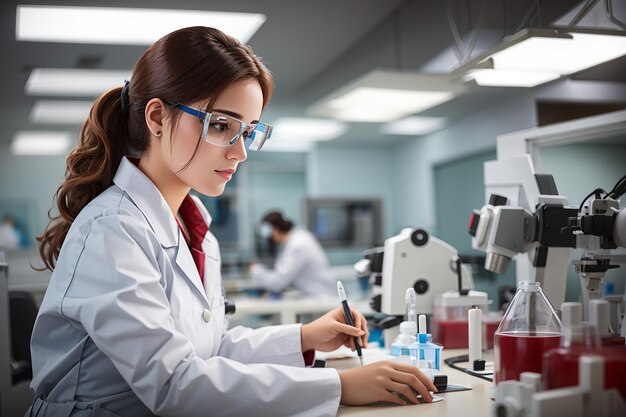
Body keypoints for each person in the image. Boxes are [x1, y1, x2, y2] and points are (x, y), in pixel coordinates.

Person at [28, 26, 436, 417]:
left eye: (250, 131)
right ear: (156, 118)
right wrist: (342, 387)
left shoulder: (195, 230)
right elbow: (173, 383)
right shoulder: (112, 229)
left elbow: (210, 350)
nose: (240, 152)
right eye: (222, 126)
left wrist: (305, 337)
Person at [251, 211, 335, 297]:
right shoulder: (298, 238)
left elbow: (278, 282)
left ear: (275, 230)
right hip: (317, 296)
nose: (269, 239)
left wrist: (256, 271)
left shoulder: (297, 245)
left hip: (322, 298)